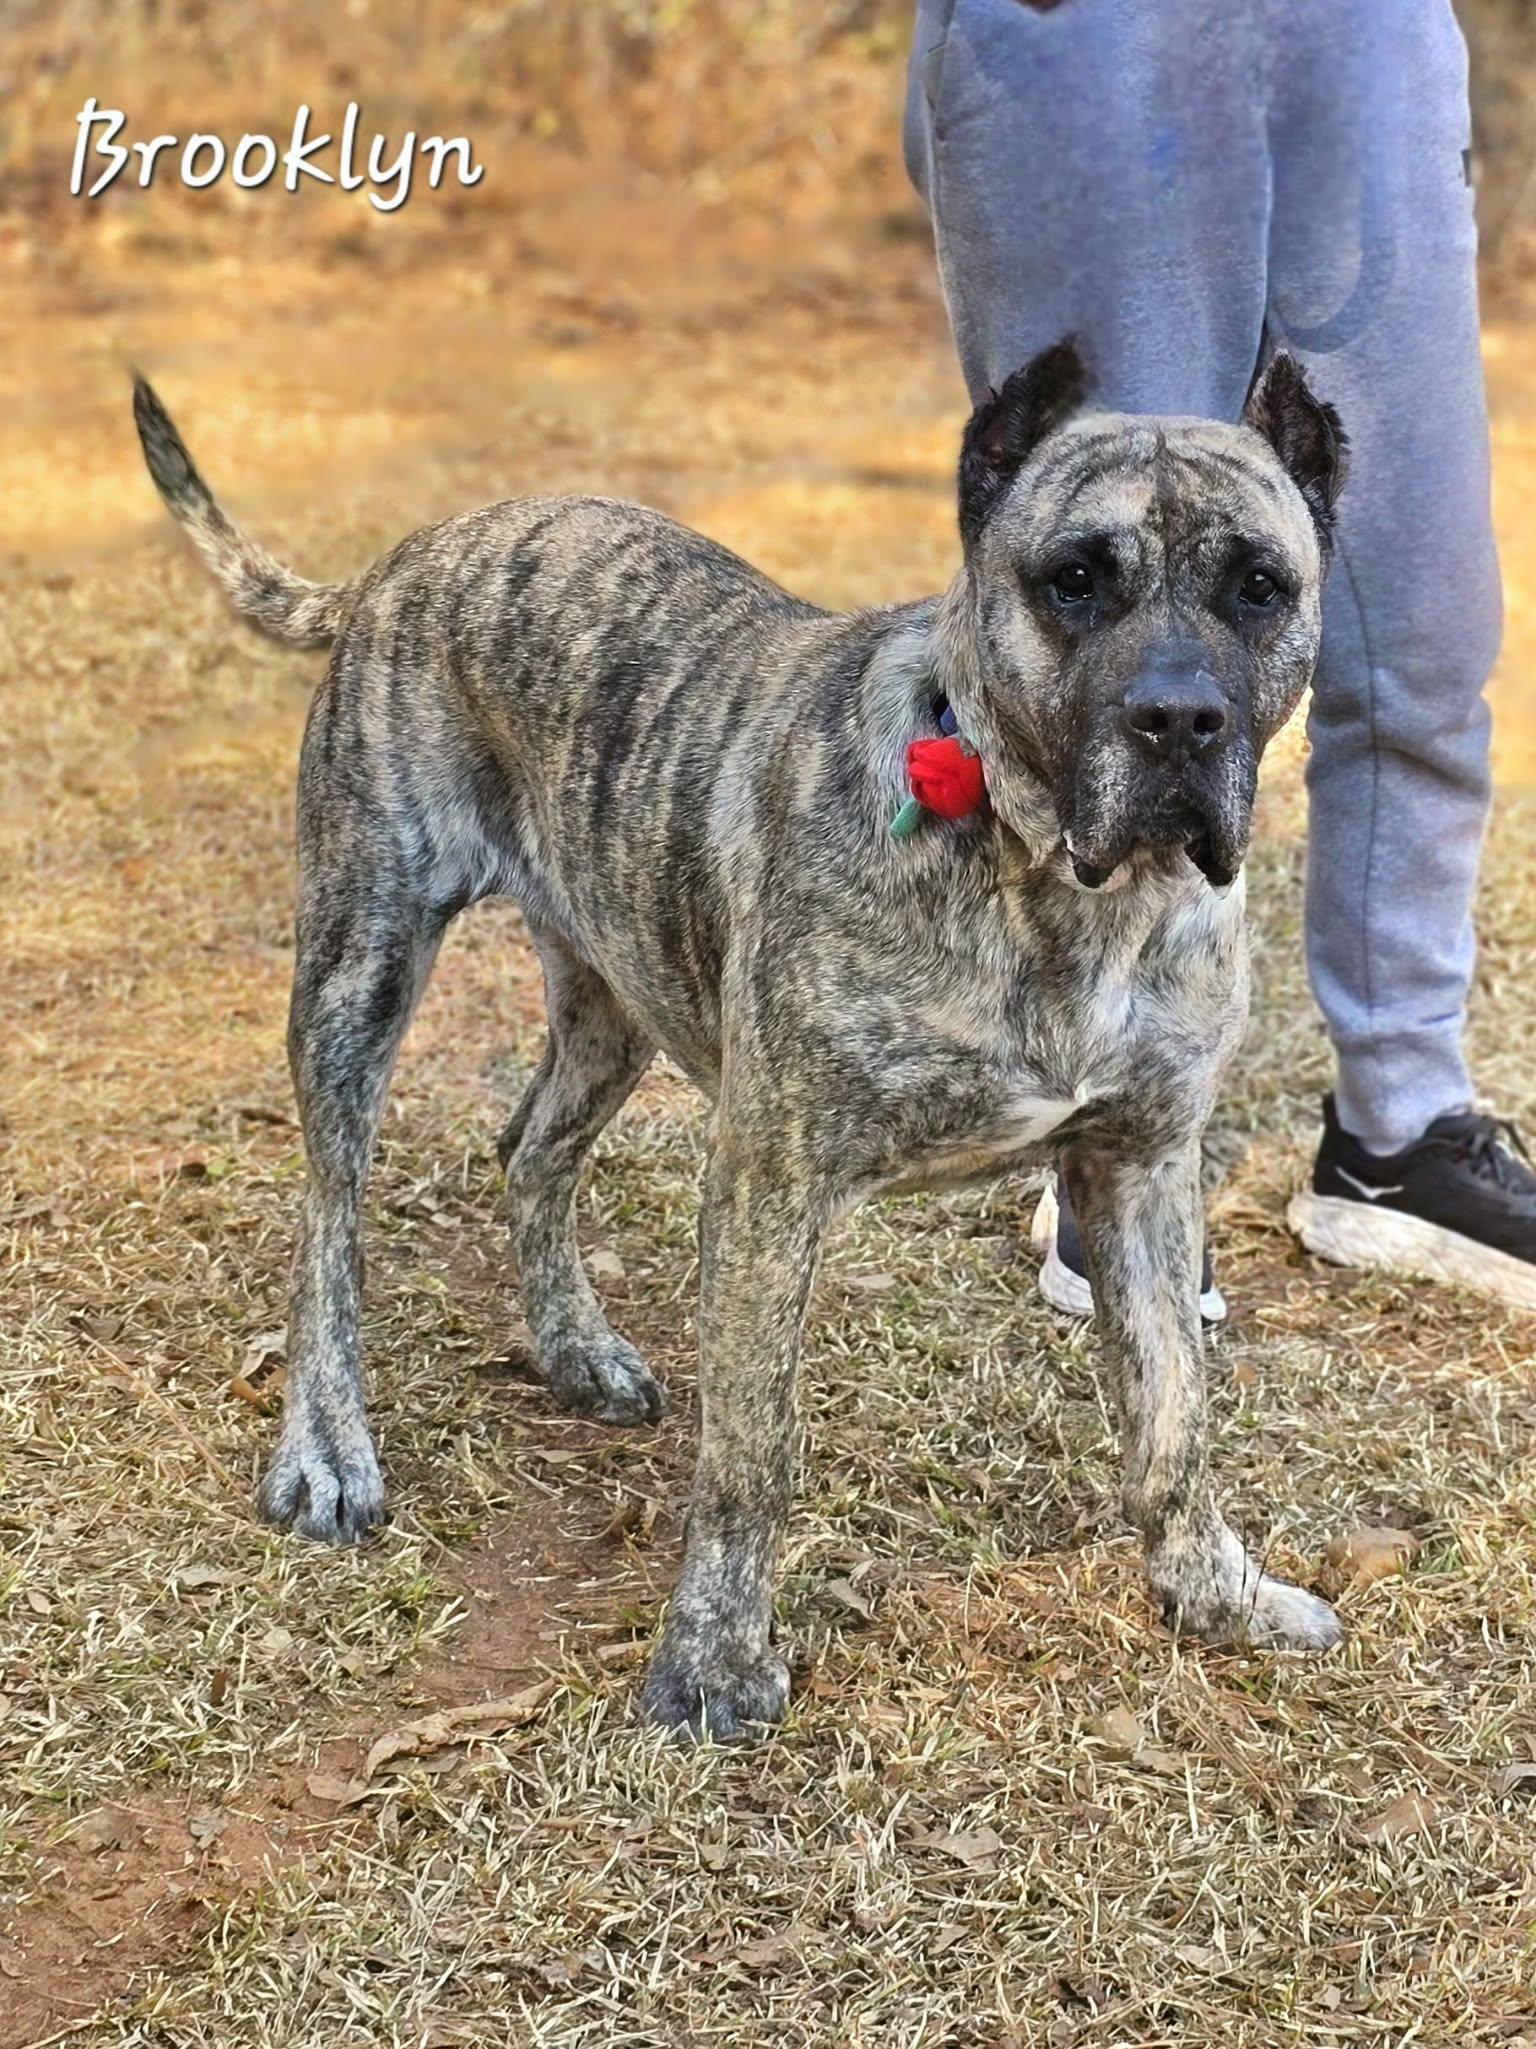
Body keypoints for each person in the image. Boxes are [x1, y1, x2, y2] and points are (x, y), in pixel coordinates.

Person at [904, 0, 1536, 1316]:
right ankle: (1109, 1146)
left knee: (1426, 623)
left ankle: (1401, 1129)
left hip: (1361, 36)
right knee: (1104, 587)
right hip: (1094, 37)